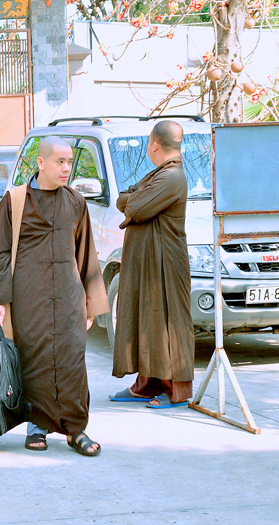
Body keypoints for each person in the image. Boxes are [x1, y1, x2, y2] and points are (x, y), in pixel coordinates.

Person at [0, 137, 108, 456]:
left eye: (69, 162)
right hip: (29, 295)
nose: (67, 168)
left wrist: (91, 301)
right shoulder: (15, 200)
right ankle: (37, 427)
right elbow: (1, 253)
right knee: (34, 359)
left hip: (68, 295)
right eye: (59, 161)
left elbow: (86, 253)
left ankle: (75, 429)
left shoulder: (76, 201)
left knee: (72, 360)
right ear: (41, 163)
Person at [109, 121, 195, 408]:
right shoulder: (158, 174)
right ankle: (147, 385)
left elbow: (135, 207)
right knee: (149, 321)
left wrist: (132, 200)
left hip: (166, 263)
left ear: (155, 145)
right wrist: (132, 198)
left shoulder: (172, 176)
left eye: (148, 142)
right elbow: (125, 198)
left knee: (169, 323)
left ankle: (175, 392)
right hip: (149, 262)